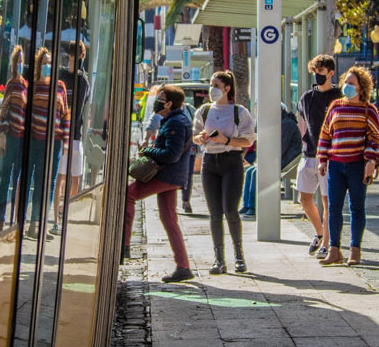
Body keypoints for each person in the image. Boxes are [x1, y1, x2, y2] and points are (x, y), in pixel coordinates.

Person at [123, 84, 193, 282]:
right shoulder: (174, 120)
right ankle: (183, 266)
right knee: (169, 219)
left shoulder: (176, 123)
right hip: (173, 176)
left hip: (167, 175)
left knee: (129, 194)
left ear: (169, 103)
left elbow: (171, 155)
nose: (157, 102)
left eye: (160, 98)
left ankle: (124, 245)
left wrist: (148, 152)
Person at [316, 66, 379, 266]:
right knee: (334, 208)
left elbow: (375, 138)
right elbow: (326, 133)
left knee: (357, 208)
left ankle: (355, 250)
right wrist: (322, 158)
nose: (347, 86)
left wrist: (371, 161)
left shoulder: (368, 109)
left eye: (352, 84)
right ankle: (335, 250)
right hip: (336, 165)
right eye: (346, 82)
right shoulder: (336, 106)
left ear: (362, 88)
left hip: (357, 166)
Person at [193, 71, 257, 274]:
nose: (212, 89)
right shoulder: (204, 111)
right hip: (210, 162)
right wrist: (201, 138)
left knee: (230, 211)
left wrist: (226, 140)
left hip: (231, 162)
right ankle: (219, 259)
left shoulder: (239, 112)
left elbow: (248, 140)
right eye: (210, 84)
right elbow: (194, 136)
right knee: (214, 214)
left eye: (215, 85)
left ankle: (239, 256)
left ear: (227, 88)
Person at [297, 54, 343, 258]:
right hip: (309, 154)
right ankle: (318, 232)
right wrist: (303, 139)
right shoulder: (307, 97)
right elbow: (302, 120)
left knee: (327, 201)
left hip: (330, 157)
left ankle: (327, 242)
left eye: (321, 72)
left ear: (331, 73)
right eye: (315, 72)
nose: (317, 75)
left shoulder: (339, 97)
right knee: (304, 198)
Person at [26, 46, 70, 235]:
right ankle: (33, 222)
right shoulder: (34, 85)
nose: (48, 66)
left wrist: (66, 140)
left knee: (51, 182)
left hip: (54, 143)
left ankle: (42, 221)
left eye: (50, 63)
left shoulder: (60, 86)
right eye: (44, 63)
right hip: (36, 139)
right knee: (37, 179)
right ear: (39, 65)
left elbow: (65, 114)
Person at [241, 104, 303, 217]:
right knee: (250, 171)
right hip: (281, 158)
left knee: (256, 172)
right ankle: (247, 205)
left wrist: (266, 161)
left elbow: (280, 148)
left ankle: (253, 206)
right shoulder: (281, 123)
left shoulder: (287, 124)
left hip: (287, 161)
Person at [55, 41, 91, 222]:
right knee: (63, 176)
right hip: (67, 134)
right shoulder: (64, 77)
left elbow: (79, 110)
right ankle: (59, 211)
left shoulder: (81, 81)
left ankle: (63, 209)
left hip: (71, 134)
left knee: (73, 176)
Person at [0, 46, 27, 232]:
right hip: (10, 138)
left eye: (22, 61)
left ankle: (14, 221)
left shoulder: (25, 85)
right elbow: (4, 110)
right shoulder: (11, 84)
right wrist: (2, 134)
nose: (20, 64)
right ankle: (0, 220)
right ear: (13, 64)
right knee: (5, 178)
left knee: (17, 180)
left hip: (22, 139)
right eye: (18, 61)